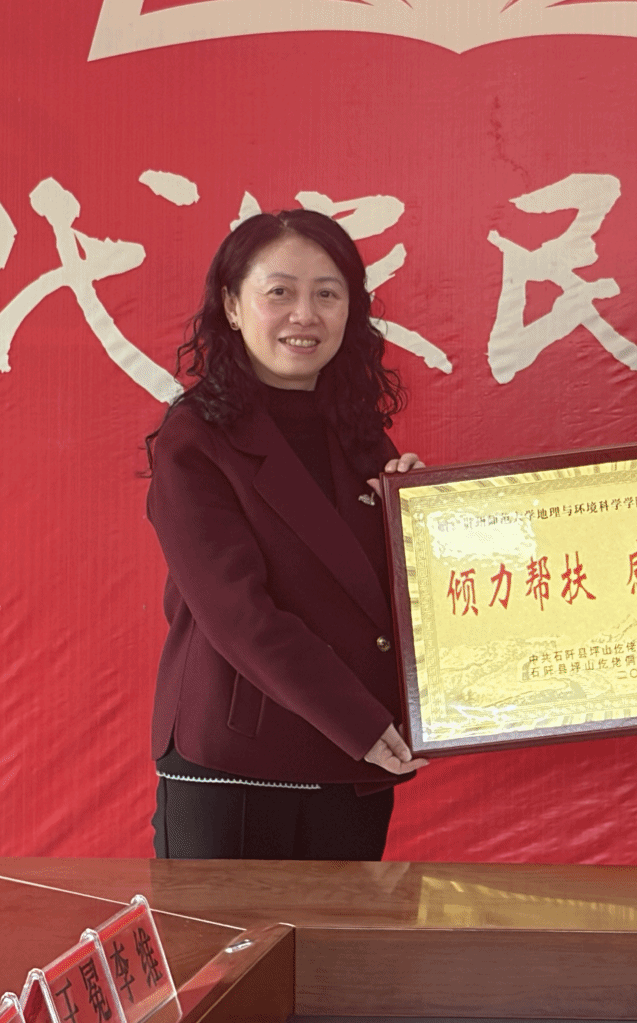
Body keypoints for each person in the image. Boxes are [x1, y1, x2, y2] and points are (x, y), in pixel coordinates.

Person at [146, 209, 427, 861]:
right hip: (237, 767)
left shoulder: (361, 436)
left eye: (327, 294)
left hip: (352, 761)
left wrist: (418, 521)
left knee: (342, 934)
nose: (305, 315)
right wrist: (360, 722)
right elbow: (239, 616)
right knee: (220, 936)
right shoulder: (195, 439)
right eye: (280, 292)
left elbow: (378, 597)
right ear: (232, 306)